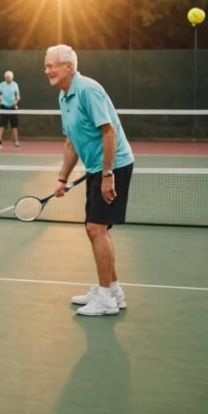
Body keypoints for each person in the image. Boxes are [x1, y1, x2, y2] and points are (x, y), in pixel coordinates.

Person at [44, 45, 134, 316]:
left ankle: (106, 298)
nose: (47, 70)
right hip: (97, 168)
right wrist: (62, 177)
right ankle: (113, 290)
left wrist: (107, 175)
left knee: (96, 228)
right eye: (45, 66)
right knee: (96, 229)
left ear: (68, 67)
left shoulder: (87, 90)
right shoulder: (64, 96)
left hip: (113, 166)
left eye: (52, 65)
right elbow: (71, 142)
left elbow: (109, 133)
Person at [0, 70, 21, 149]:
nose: (8, 78)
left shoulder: (15, 85)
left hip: (13, 107)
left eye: (9, 77)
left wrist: (16, 101)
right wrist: (1, 99)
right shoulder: (1, 85)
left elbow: (18, 96)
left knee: (14, 125)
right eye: (6, 77)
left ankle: (16, 141)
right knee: (2, 125)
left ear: (12, 77)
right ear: (5, 77)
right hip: (4, 106)